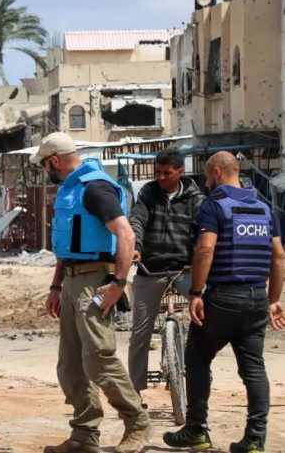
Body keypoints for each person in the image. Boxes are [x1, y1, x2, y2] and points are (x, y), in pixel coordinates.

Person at [34, 132, 151, 453]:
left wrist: (118, 283)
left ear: (54, 161)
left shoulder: (95, 188)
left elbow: (126, 235)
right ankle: (84, 436)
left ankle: (137, 423)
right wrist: (56, 286)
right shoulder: (71, 189)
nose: (45, 171)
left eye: (44, 165)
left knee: (99, 357)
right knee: (70, 365)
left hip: (95, 283)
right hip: (72, 281)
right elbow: (68, 246)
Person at [163, 151, 285, 452]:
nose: (205, 181)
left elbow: (205, 250)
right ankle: (255, 439)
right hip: (257, 298)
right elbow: (279, 257)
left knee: (197, 358)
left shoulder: (214, 205)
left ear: (217, 172)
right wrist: (273, 300)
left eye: (207, 175)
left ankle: (196, 430)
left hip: (223, 297)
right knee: (254, 369)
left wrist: (195, 293)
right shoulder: (263, 208)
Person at [128, 148, 205, 403]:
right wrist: (136, 247)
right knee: (140, 332)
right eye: (158, 172)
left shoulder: (196, 198)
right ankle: (134, 394)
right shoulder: (148, 193)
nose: (161, 177)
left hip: (185, 270)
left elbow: (204, 232)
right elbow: (137, 220)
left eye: (167, 173)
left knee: (207, 318)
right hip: (150, 270)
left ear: (180, 172)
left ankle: (201, 377)